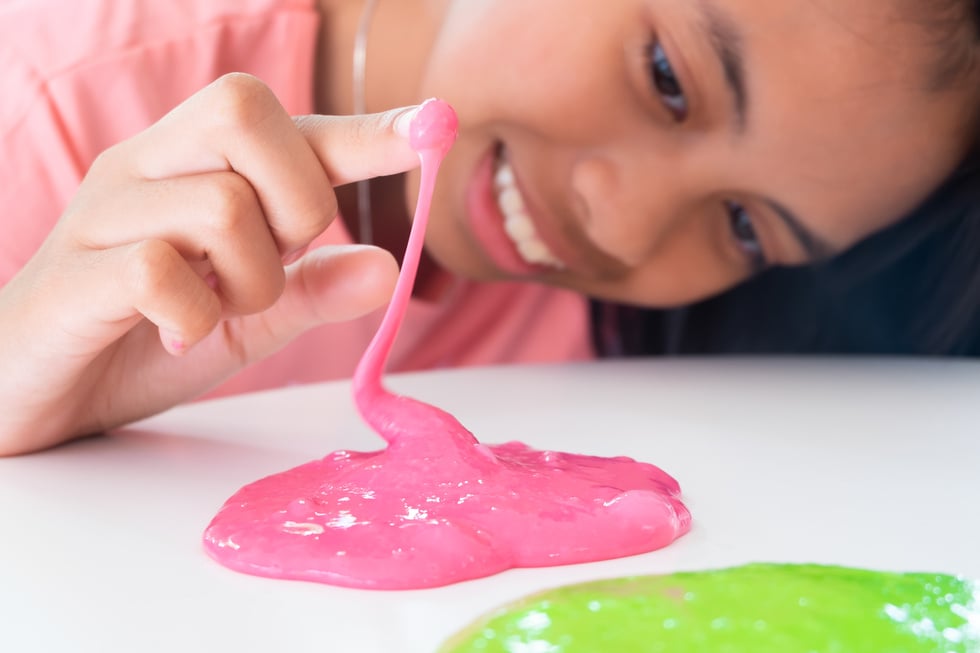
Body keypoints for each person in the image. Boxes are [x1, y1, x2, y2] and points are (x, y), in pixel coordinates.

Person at [0, 0, 977, 456]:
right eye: (668, 80)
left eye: (744, 227)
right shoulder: (48, 101)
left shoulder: (608, 358)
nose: (624, 229)